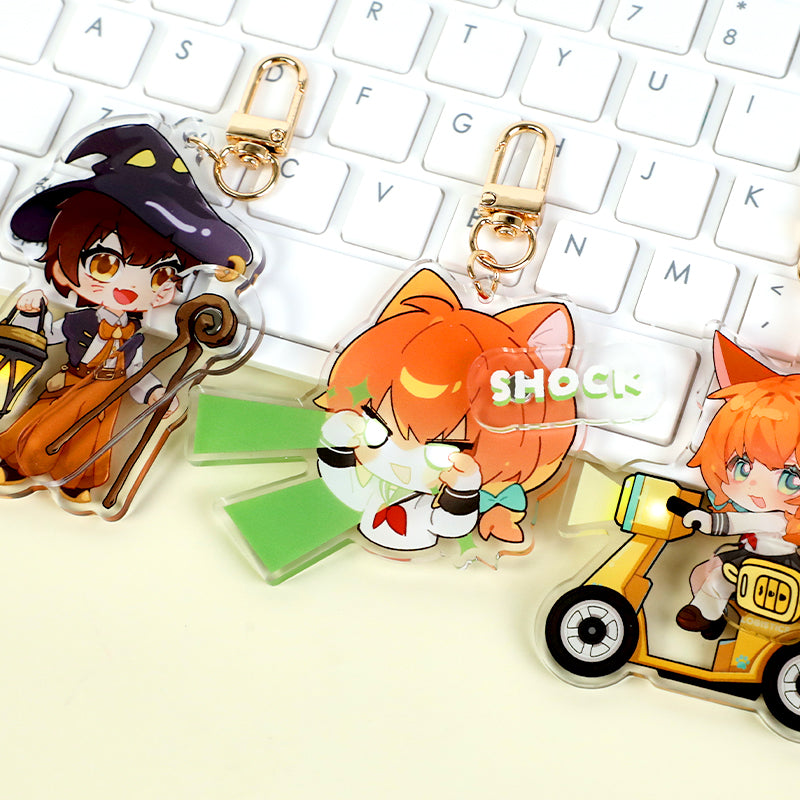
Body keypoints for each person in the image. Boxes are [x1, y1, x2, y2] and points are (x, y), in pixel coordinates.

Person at [0, 123, 252, 504]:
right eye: (105, 263)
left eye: (161, 274)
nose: (130, 287)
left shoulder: (134, 337)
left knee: (90, 441)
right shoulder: (81, 320)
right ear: (66, 258)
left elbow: (136, 372)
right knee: (41, 427)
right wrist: (30, 312)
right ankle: (16, 462)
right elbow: (46, 336)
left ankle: (77, 482)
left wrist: (154, 394)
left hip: (108, 397)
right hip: (71, 387)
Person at [314, 268, 577, 554]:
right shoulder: (374, 490)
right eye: (377, 431)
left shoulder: (430, 503)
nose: (401, 460)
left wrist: (460, 493)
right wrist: (337, 445)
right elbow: (344, 486)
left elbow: (451, 526)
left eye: (441, 453)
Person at [676, 332, 800, 635]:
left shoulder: (780, 521)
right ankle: (711, 613)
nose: (755, 487)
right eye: (742, 467)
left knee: (720, 570)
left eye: (790, 478)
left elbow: (737, 522)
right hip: (753, 556)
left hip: (781, 565)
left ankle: (708, 611)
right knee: (710, 570)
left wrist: (709, 521)